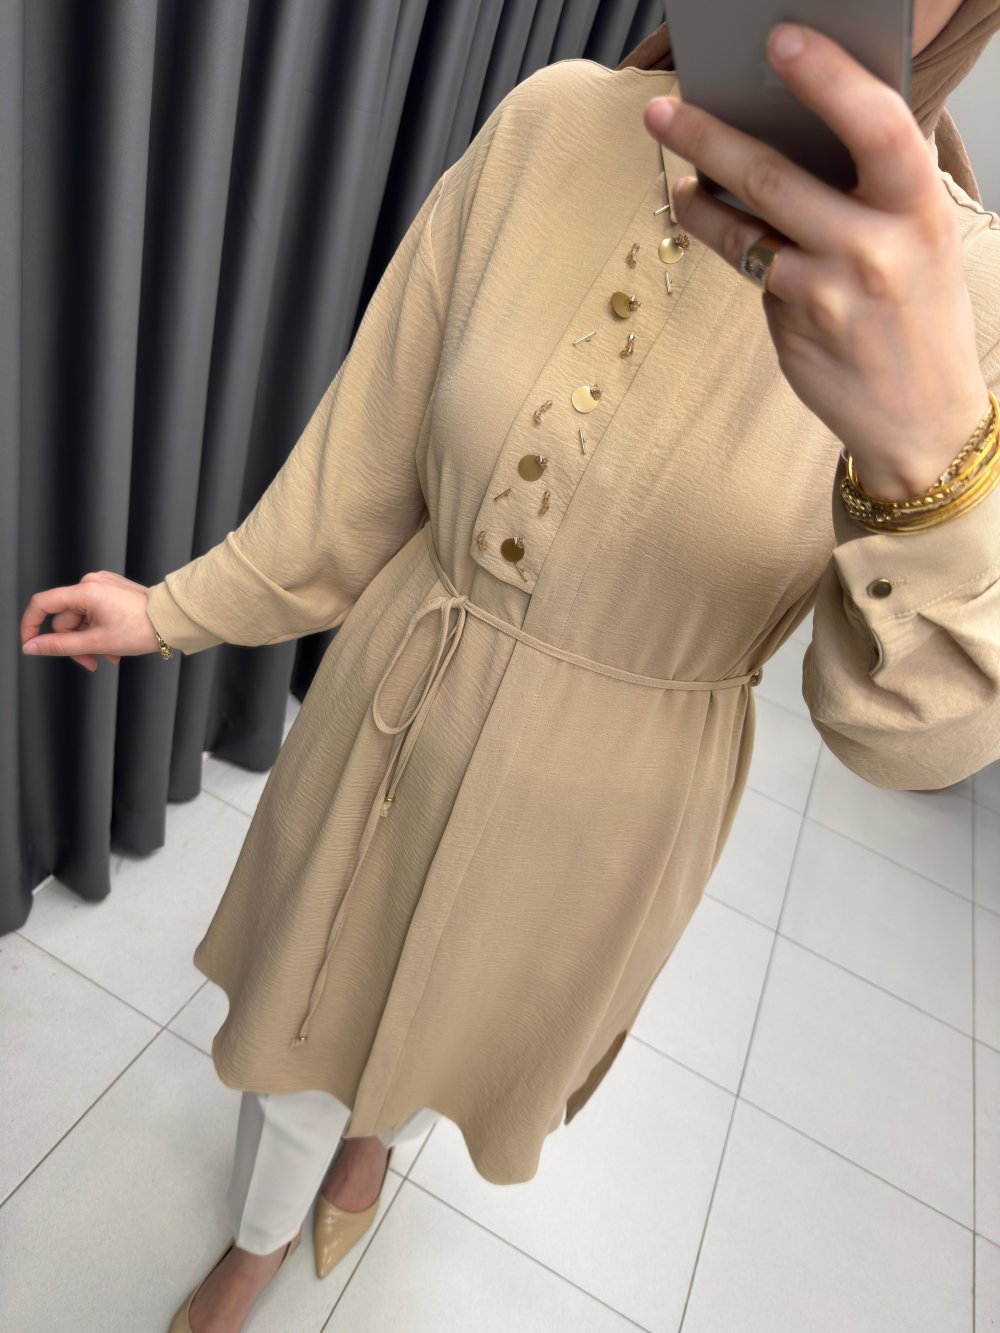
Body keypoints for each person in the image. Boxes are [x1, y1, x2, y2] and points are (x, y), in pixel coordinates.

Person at [19, 3, 1000, 1330]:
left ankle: (377, 1146)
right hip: (392, 706)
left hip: (608, 812)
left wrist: (928, 468)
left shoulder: (968, 306)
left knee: (456, 1032)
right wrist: (170, 611)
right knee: (300, 1044)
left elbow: (911, 736)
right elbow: (358, 476)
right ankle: (256, 1244)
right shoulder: (553, 124)